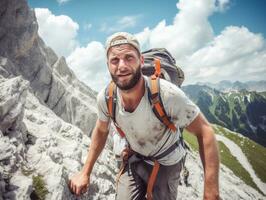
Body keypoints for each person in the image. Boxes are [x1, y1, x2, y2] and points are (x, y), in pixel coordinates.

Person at [68, 32, 220, 200]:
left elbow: (205, 131)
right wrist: (85, 172)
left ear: (141, 61)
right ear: (108, 65)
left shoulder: (167, 95)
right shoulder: (107, 98)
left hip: (166, 163)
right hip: (134, 157)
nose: (122, 66)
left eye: (129, 57)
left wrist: (211, 192)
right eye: (115, 60)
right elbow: (102, 130)